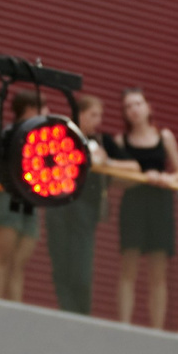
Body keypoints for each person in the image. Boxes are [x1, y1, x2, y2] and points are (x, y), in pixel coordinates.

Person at [97, 87, 178, 329]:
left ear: (148, 107)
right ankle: (124, 325)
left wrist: (167, 178)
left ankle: (156, 329)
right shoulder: (120, 141)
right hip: (133, 204)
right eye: (128, 106)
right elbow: (113, 178)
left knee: (158, 271)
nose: (133, 110)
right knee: (129, 267)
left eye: (137, 104)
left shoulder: (164, 136)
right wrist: (137, 178)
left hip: (160, 204)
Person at [42, 91, 112, 316]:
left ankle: (82, 313)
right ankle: (66, 310)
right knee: (60, 263)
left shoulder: (100, 142)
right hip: (59, 206)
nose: (97, 121)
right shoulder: (64, 134)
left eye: (99, 116)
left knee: (81, 267)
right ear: (80, 114)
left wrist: (105, 160)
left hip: (85, 209)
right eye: (93, 115)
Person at [0, 87, 45, 301]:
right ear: (29, 109)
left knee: (19, 263)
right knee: (3, 256)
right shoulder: (9, 133)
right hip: (8, 200)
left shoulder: (42, 137)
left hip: (30, 202)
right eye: (42, 108)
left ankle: (15, 309)